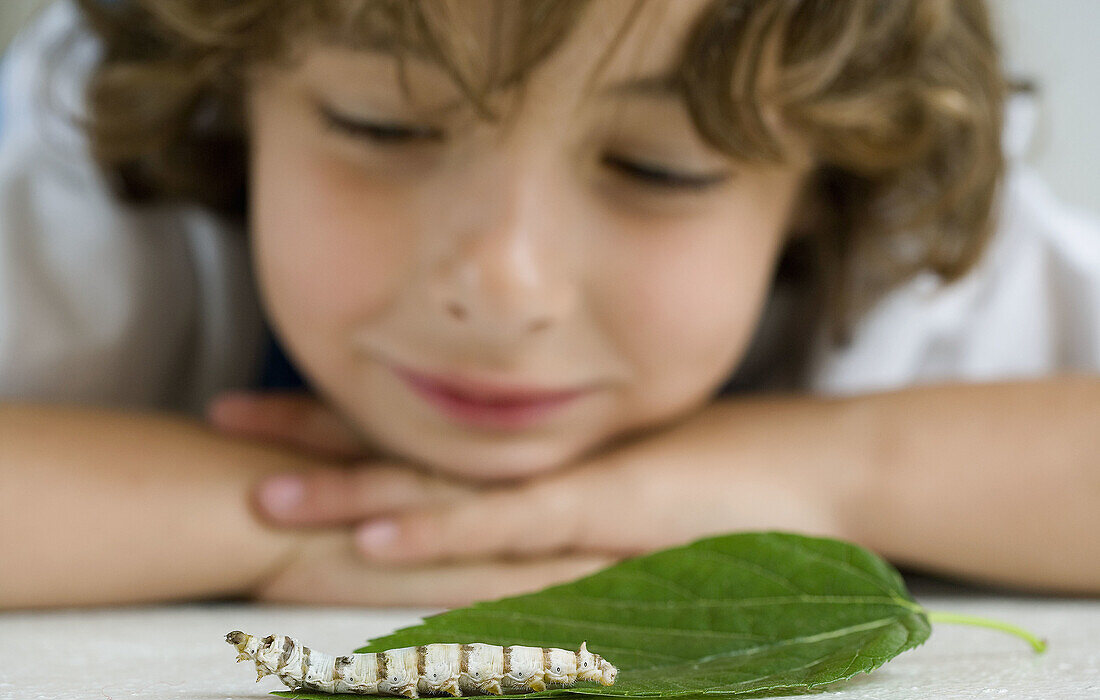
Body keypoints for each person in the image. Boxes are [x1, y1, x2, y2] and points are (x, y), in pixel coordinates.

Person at [1, 0, 1097, 609]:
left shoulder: (903, 242)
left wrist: (816, 470)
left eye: (660, 169)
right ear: (228, 103)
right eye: (382, 128)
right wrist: (292, 520)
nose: (503, 284)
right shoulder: (96, 155)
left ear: (823, 183)